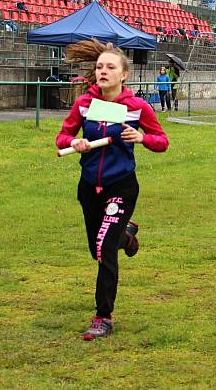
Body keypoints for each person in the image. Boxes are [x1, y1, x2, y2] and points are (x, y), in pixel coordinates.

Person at [55, 40, 169, 341]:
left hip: (121, 186)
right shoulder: (84, 104)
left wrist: (141, 138)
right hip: (89, 187)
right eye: (100, 67)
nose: (103, 71)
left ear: (124, 75)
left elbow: (162, 142)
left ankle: (103, 317)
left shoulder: (136, 107)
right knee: (98, 248)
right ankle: (127, 236)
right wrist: (73, 143)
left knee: (105, 250)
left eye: (110, 67)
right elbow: (61, 138)